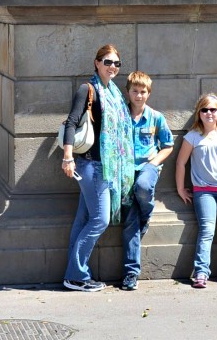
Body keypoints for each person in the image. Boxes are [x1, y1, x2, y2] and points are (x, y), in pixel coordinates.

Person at [61, 44, 134, 292]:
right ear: (96, 63)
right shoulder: (88, 89)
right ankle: (77, 275)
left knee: (84, 220)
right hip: (91, 165)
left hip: (107, 166)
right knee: (100, 220)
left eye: (116, 63)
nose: (112, 67)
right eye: (107, 62)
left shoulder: (114, 94)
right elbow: (71, 122)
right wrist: (67, 157)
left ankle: (73, 275)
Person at [175, 93, 217, 289]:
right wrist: (180, 188)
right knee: (206, 231)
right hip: (203, 191)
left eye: (213, 109)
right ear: (199, 113)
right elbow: (181, 163)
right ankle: (201, 273)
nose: (209, 113)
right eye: (204, 109)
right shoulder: (192, 137)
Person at [120, 71, 174, 291]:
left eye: (143, 92)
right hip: (125, 170)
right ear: (128, 92)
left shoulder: (156, 117)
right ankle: (131, 273)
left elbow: (168, 145)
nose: (139, 95)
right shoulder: (120, 115)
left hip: (148, 167)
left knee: (143, 187)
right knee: (130, 222)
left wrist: (153, 164)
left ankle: (147, 213)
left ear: (148, 93)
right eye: (135, 91)